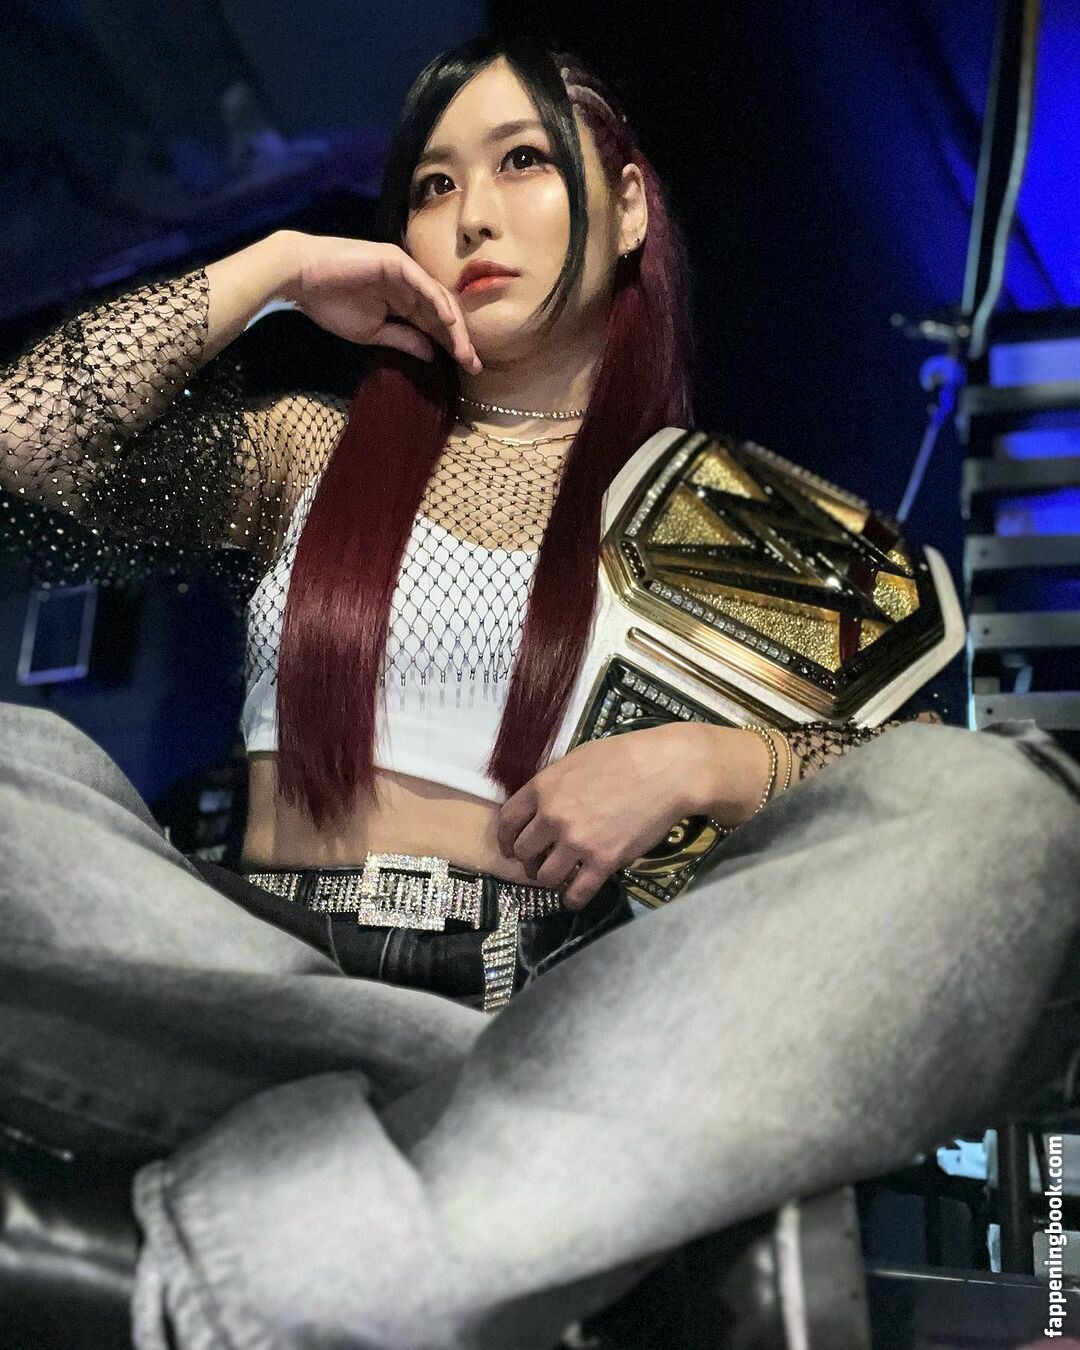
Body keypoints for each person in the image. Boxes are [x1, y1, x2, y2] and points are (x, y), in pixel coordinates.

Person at [3, 34, 1079, 1349]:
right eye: (433, 185)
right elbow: (25, 441)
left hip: (560, 991)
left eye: (521, 162)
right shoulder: (307, 452)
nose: (472, 216)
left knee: (1012, 810)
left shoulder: (755, 520)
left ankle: (297, 1228)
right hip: (235, 965)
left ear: (626, 207)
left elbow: (910, 806)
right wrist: (273, 270)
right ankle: (540, 1177)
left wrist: (705, 764)